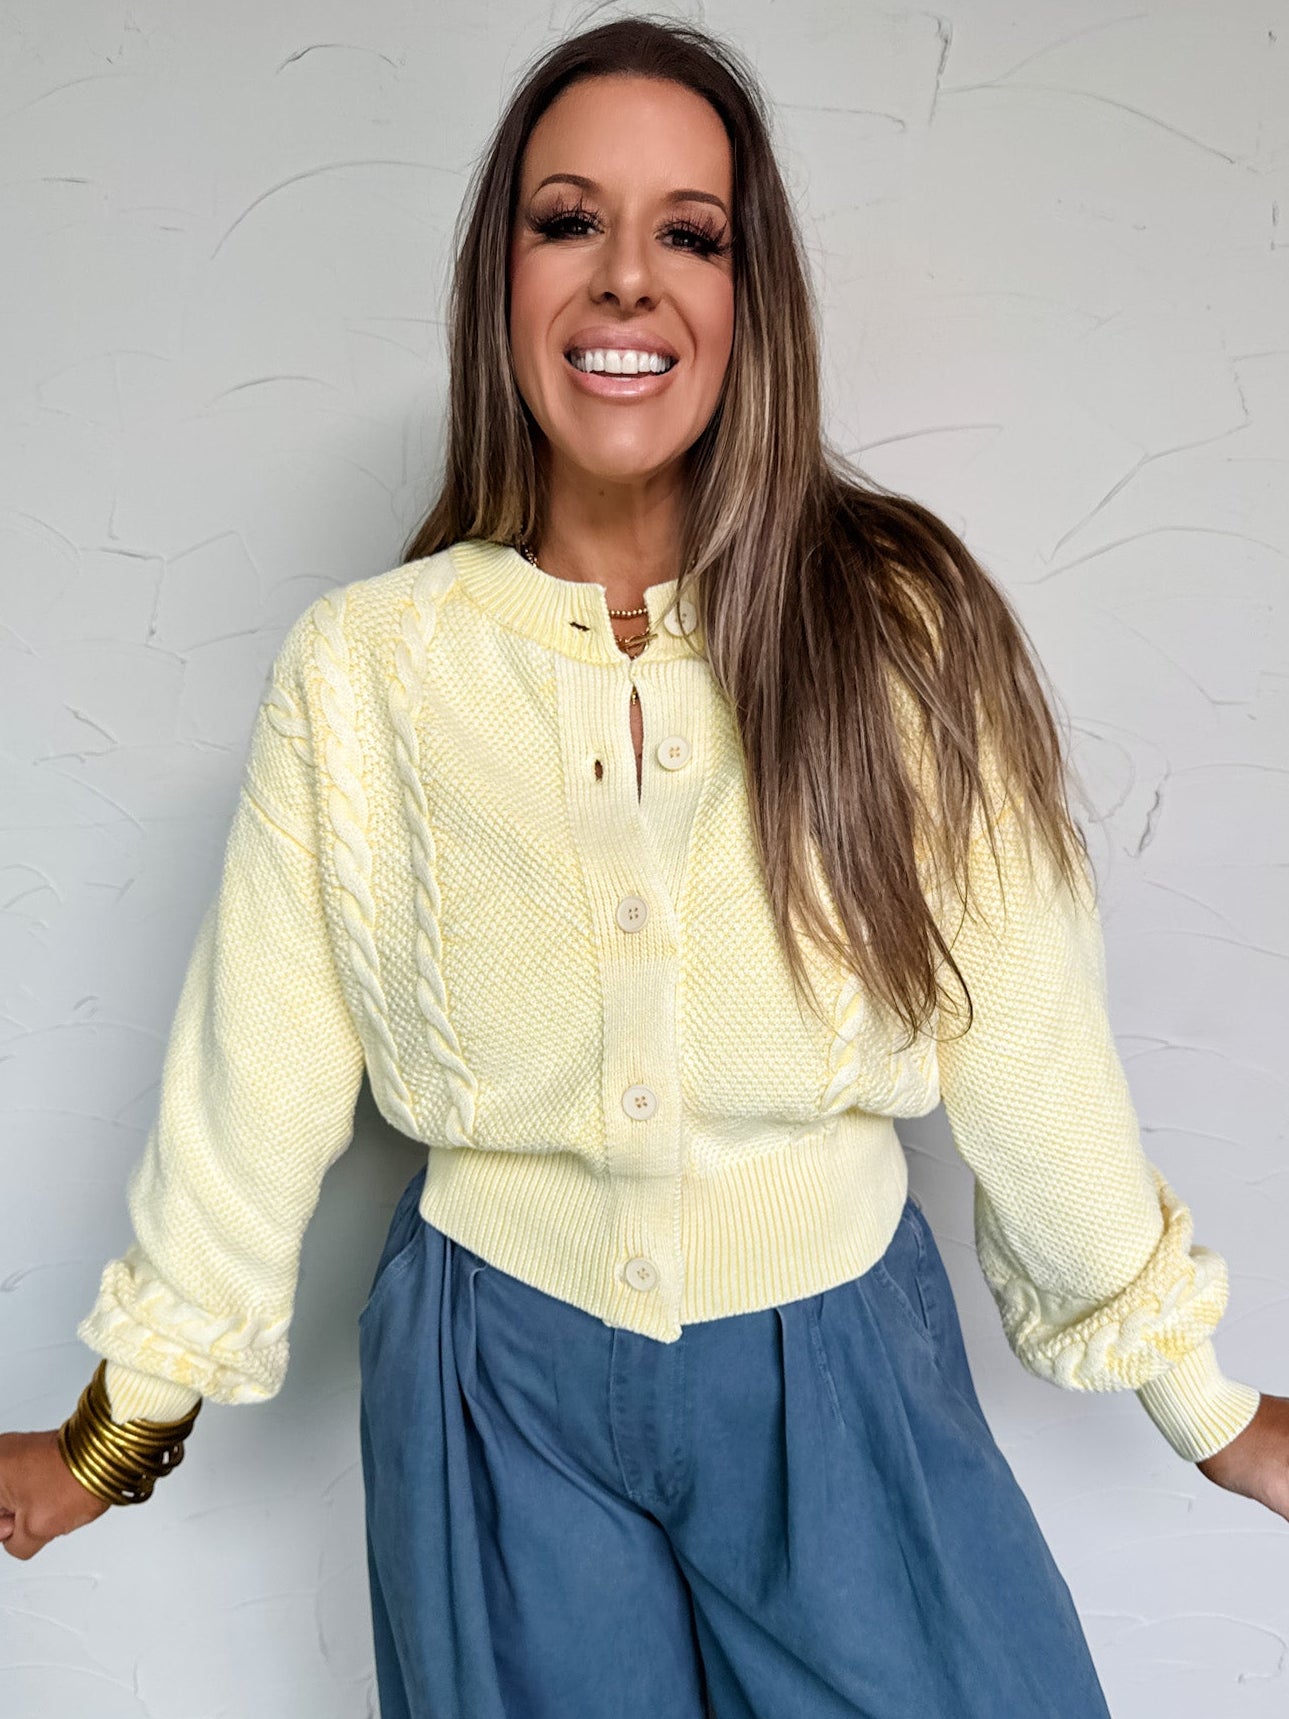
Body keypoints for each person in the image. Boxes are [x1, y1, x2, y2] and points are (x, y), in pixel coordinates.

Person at [3, 13, 1285, 1716]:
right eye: (566, 221)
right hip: (486, 1385)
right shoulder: (368, 667)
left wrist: (1196, 1401)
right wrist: (118, 1427)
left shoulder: (898, 631)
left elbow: (1026, 1041)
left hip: (836, 1370)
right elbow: (261, 1067)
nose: (625, 279)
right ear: (499, 280)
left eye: (689, 233)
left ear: (753, 303)